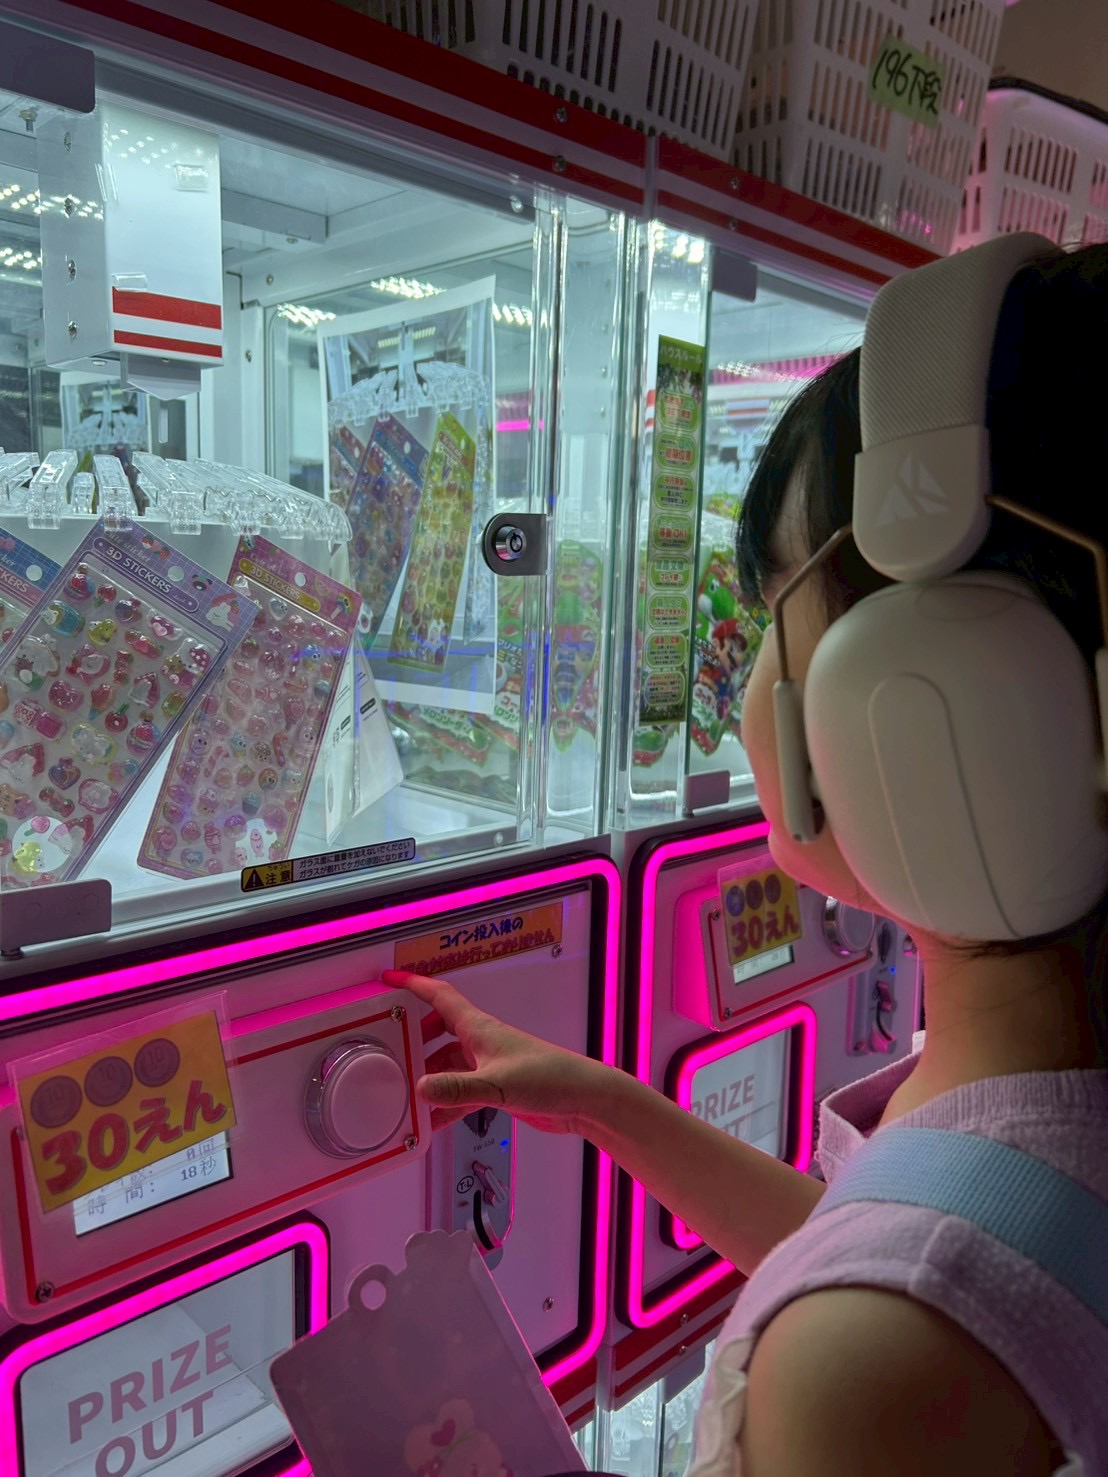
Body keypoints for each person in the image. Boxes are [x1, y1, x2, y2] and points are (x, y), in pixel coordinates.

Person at [383, 239, 1108, 1477]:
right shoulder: (1017, 1154)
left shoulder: (869, 1369)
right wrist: (606, 1105)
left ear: (936, 694)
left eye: (782, 609)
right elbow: (913, 1244)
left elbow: (902, 1302)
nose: (754, 684)